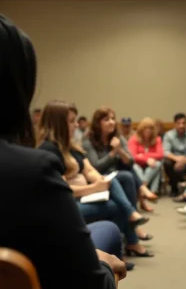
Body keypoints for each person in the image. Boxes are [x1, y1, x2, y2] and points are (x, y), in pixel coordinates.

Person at [0, 14, 126, 289]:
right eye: (70, 120)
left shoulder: (67, 151)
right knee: (109, 231)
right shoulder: (33, 168)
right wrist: (103, 264)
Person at [38, 100, 153, 257]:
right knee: (118, 205)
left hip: (85, 195)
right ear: (58, 124)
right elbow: (62, 188)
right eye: (72, 121)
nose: (76, 125)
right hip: (69, 205)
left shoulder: (70, 145)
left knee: (123, 177)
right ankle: (115, 250)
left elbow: (90, 169)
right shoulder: (49, 150)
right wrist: (94, 187)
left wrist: (102, 182)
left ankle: (122, 244)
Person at [83, 107, 157, 213]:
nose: (112, 122)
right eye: (107, 120)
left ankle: (134, 209)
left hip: (116, 171)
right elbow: (96, 167)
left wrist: (119, 150)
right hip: (99, 175)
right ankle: (134, 209)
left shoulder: (117, 137)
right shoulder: (88, 140)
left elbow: (131, 161)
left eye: (113, 119)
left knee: (128, 168)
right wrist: (113, 153)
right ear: (98, 123)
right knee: (127, 175)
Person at [163, 112, 186, 197]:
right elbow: (165, 151)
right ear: (175, 124)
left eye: (183, 123)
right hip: (174, 161)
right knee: (166, 162)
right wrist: (177, 159)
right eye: (178, 123)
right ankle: (174, 187)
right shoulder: (169, 135)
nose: (181, 126)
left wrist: (184, 161)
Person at [128, 117, 164, 194]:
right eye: (145, 128)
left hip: (151, 165)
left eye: (150, 128)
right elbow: (132, 156)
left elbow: (160, 155)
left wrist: (143, 155)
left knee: (157, 164)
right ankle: (150, 191)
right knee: (134, 167)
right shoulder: (134, 139)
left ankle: (144, 187)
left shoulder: (157, 139)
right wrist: (146, 160)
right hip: (138, 164)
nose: (148, 130)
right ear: (141, 129)